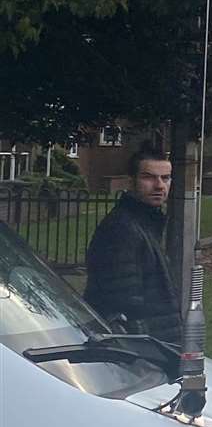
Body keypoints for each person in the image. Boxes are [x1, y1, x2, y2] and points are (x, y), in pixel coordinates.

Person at [85, 144, 181, 343]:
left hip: (158, 345)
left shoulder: (144, 224)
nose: (159, 185)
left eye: (166, 178)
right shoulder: (121, 228)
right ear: (130, 181)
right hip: (142, 354)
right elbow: (123, 305)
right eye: (149, 177)